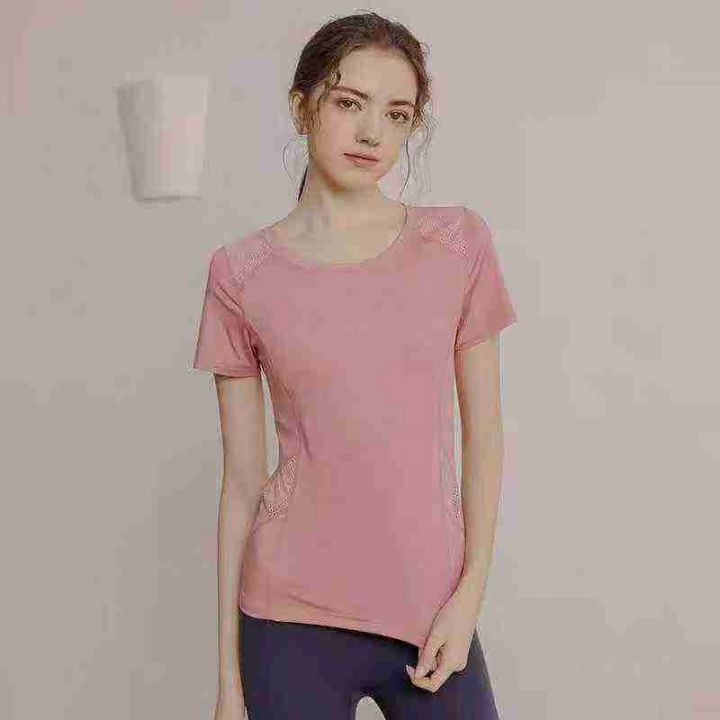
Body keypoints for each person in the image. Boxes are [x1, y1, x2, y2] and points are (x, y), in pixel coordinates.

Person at [192, 11, 517, 720]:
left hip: (431, 612)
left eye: (396, 114)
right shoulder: (240, 274)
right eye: (349, 103)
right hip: (287, 620)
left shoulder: (457, 246)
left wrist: (469, 596)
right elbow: (241, 483)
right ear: (300, 107)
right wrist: (227, 682)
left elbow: (485, 439)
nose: (373, 133)